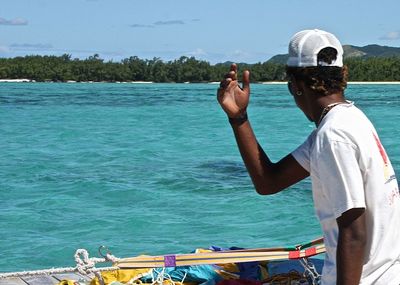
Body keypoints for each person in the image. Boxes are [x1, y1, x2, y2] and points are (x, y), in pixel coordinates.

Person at [217, 29, 400, 285]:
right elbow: (268, 182)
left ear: (296, 86)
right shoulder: (350, 120)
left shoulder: (333, 136)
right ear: (340, 76)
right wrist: (239, 118)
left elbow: (353, 231)